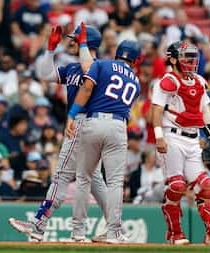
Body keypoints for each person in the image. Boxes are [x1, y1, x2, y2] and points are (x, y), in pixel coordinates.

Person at [9, 23, 109, 242]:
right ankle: (115, 226)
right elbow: (44, 74)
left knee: (62, 175)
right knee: (94, 180)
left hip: (84, 123)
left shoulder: (98, 66)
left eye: (76, 39)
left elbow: (89, 68)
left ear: (87, 42)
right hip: (87, 126)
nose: (71, 42)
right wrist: (50, 50)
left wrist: (82, 43)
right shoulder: (73, 67)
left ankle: (38, 224)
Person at [151, 41, 210, 246]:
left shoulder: (198, 81)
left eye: (191, 56)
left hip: (193, 138)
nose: (190, 61)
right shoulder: (166, 81)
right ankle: (174, 233)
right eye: (185, 56)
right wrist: (158, 136)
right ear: (172, 59)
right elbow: (156, 110)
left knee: (205, 184)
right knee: (177, 185)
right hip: (171, 137)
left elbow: (204, 112)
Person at [65, 40, 141, 243]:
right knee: (115, 182)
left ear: (117, 52)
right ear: (136, 59)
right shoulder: (135, 80)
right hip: (118, 126)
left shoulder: (103, 64)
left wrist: (72, 115)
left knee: (83, 178)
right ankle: (114, 231)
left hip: (94, 121)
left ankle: (78, 232)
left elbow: (87, 88)